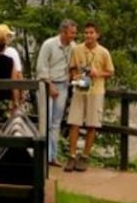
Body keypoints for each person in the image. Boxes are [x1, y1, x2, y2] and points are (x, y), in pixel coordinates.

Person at [63, 22, 114, 173]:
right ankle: (72, 156)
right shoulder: (77, 49)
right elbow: (72, 68)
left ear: (97, 35)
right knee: (74, 123)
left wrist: (98, 73)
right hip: (80, 89)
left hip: (96, 91)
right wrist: (74, 75)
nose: (88, 35)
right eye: (86, 33)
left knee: (92, 124)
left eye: (91, 33)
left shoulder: (104, 52)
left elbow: (110, 72)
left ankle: (85, 156)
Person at [36, 19, 76, 167]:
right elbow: (41, 67)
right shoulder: (49, 44)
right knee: (45, 120)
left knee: (56, 122)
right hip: (47, 84)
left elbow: (73, 65)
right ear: (63, 32)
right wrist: (50, 85)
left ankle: (53, 156)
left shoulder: (73, 47)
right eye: (72, 33)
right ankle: (44, 155)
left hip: (63, 85)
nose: (74, 35)